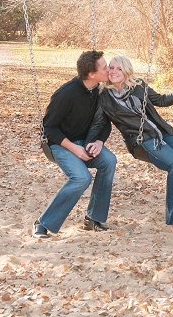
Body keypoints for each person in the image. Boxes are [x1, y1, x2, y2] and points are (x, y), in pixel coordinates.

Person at [87, 54, 173, 232]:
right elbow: (99, 123)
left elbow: (161, 100)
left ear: (126, 71)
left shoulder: (139, 86)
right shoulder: (104, 97)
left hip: (165, 134)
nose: (114, 71)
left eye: (119, 68)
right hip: (143, 140)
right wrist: (90, 142)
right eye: (111, 67)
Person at [32, 50, 117, 239]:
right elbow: (49, 129)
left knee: (109, 160)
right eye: (104, 67)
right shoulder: (66, 94)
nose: (108, 69)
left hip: (85, 143)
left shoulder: (99, 91)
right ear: (91, 74)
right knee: (81, 178)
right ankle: (43, 223)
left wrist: (99, 142)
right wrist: (74, 148)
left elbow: (104, 123)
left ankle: (93, 218)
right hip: (59, 144)